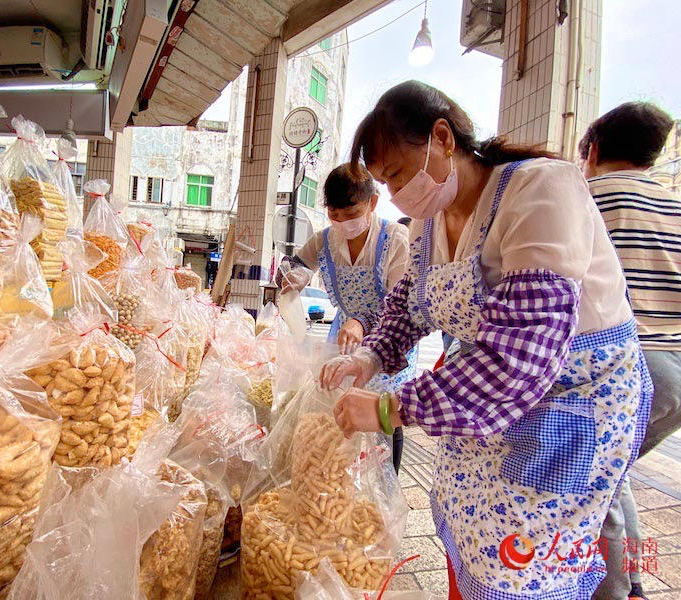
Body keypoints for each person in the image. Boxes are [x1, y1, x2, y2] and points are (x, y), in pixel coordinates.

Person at [320, 81, 652, 600]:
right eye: (385, 184)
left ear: (442, 137)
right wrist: (371, 355)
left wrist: (389, 409)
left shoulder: (541, 189)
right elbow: (408, 306)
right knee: (468, 522)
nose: (395, 194)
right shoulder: (433, 222)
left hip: (568, 402)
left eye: (399, 174)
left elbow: (519, 354)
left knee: (524, 563)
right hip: (496, 403)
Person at [578, 101, 678, 600]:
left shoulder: (585, 196)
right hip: (677, 373)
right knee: (615, 477)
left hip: (633, 368)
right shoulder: (674, 202)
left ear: (592, 150)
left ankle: (615, 592)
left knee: (599, 483)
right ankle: (633, 581)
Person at [278, 163, 417, 472]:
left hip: (389, 341)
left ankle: (384, 487)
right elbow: (297, 261)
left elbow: (400, 303)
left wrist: (362, 322)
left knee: (384, 417)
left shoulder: (395, 239)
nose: (343, 223)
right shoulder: (325, 240)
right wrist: (291, 275)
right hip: (344, 339)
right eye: (335, 215)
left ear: (373, 203)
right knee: (340, 413)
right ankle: (343, 477)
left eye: (352, 215)